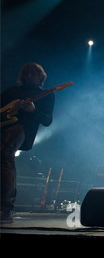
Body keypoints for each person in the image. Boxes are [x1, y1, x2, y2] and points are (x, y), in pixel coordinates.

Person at [1, 63, 54, 222]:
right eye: (28, 73)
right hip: (3, 127)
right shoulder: (11, 91)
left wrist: (33, 110)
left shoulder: (46, 95)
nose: (30, 76)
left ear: (41, 76)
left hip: (22, 129)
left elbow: (47, 120)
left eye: (34, 73)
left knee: (4, 154)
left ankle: (5, 208)